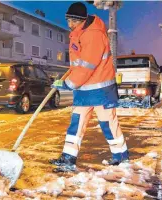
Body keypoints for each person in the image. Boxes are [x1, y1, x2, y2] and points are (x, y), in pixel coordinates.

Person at [50, 2, 129, 172]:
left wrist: (68, 84)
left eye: (73, 21)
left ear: (82, 20)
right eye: (68, 20)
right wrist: (63, 80)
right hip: (84, 90)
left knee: (108, 124)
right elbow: (77, 65)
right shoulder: (78, 33)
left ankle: (121, 157)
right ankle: (68, 158)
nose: (70, 25)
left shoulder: (93, 35)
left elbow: (87, 66)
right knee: (76, 124)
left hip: (101, 90)